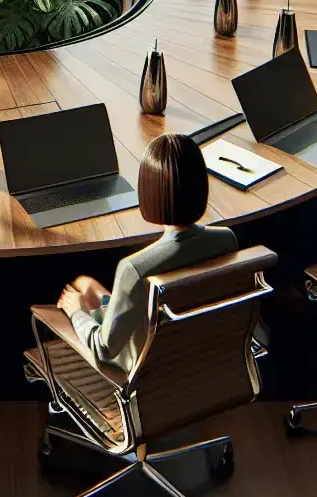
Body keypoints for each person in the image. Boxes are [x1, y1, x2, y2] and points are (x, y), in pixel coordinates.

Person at [57, 133, 239, 372]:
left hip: (150, 366)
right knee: (86, 285)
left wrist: (76, 312)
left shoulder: (135, 268)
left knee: (75, 299)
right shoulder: (226, 240)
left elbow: (104, 349)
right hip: (201, 353)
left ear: (149, 194)